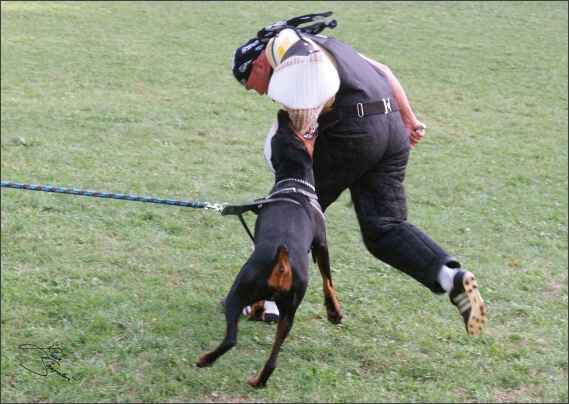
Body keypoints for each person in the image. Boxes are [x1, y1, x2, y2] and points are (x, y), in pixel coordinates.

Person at [228, 12, 487, 336]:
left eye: (253, 86)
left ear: (258, 65)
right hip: (390, 128)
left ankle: (267, 301)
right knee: (385, 228)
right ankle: (452, 277)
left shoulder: (296, 62)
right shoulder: (328, 47)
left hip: (354, 129)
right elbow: (384, 71)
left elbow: (303, 128)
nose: (259, 93)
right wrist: (409, 120)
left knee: (292, 209)